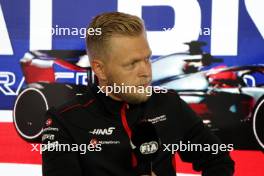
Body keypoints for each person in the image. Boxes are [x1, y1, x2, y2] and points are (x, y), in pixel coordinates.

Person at [42, 12, 234, 176]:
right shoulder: (64, 121)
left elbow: (219, 161)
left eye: (147, 59)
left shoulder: (168, 103)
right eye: (132, 64)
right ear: (99, 69)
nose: (146, 72)